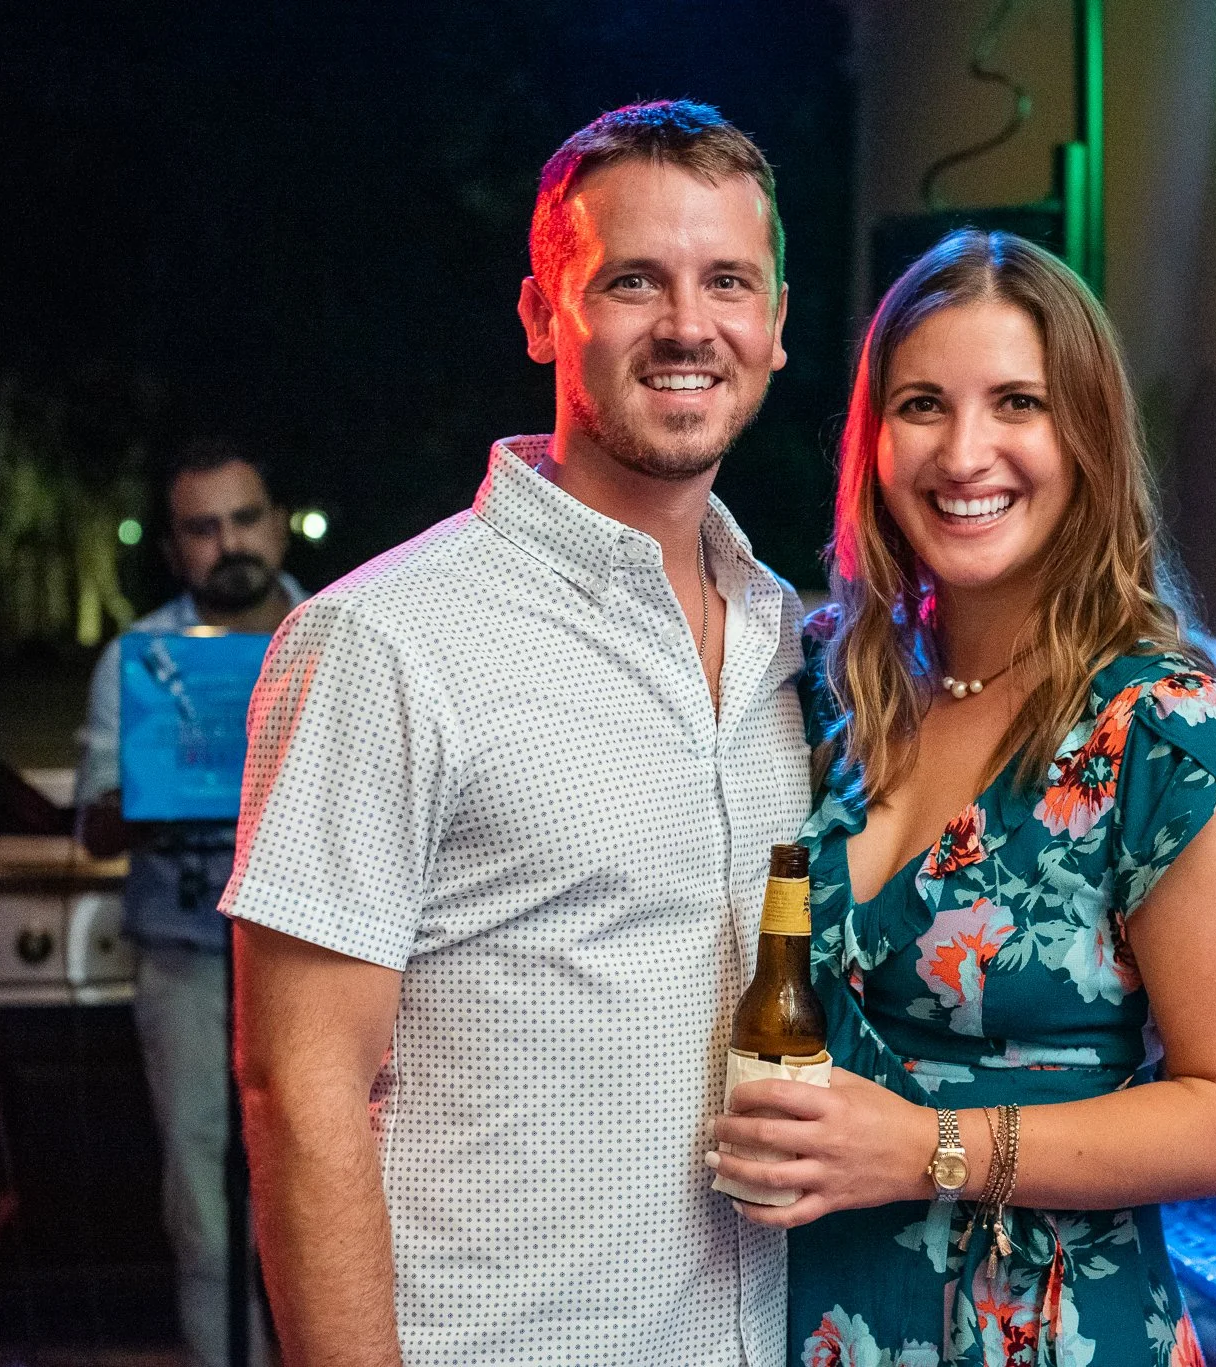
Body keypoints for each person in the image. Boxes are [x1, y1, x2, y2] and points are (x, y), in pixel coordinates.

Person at [222, 101, 811, 1367]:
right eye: (632, 281)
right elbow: (298, 1090)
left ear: (774, 323)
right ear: (545, 315)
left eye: (725, 281)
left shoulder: (791, 642)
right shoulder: (384, 639)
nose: (686, 324)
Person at [706, 230, 1216, 1367]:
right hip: (809, 1320)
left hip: (1047, 1332)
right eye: (921, 405)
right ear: (874, 441)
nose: (963, 452)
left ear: (1086, 436)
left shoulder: (1161, 730)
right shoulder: (830, 684)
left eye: (1016, 403)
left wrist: (927, 1147)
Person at [76, 439, 304, 1367]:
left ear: (278, 525)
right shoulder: (136, 659)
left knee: (329, 1188)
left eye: (245, 518)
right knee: (203, 1206)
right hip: (186, 959)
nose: (229, 543)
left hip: (315, 964)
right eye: (203, 529)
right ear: (175, 551)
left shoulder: (341, 631)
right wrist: (164, 776)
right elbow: (94, 827)